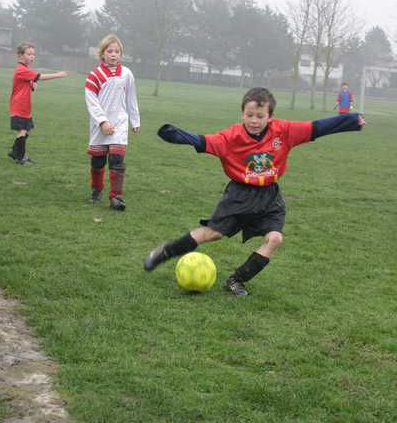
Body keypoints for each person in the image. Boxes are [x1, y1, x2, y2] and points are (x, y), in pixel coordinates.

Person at [143, 87, 366, 296]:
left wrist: (352, 121)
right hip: (239, 195)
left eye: (260, 116)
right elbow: (202, 141)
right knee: (212, 234)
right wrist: (175, 134)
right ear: (242, 113)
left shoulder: (284, 131)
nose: (254, 121)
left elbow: (317, 127)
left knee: (275, 238)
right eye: (249, 115)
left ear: (270, 116)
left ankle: (236, 279)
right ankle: (165, 252)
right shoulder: (230, 137)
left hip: (270, 196)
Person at [85, 33, 140, 211]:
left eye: (117, 51)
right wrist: (102, 122)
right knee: (98, 161)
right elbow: (91, 102)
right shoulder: (94, 75)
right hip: (99, 126)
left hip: (119, 123)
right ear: (102, 53)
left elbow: (131, 98)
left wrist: (135, 120)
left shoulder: (127, 73)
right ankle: (96, 190)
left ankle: (116, 197)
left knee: (117, 160)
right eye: (110, 51)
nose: (114, 54)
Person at [8, 42, 68, 165]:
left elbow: (30, 84)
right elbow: (40, 77)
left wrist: (31, 85)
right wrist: (58, 75)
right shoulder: (21, 69)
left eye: (33, 54)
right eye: (29, 54)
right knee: (22, 131)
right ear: (20, 55)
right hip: (19, 106)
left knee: (27, 129)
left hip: (24, 106)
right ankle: (20, 157)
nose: (32, 57)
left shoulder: (25, 69)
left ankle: (15, 151)